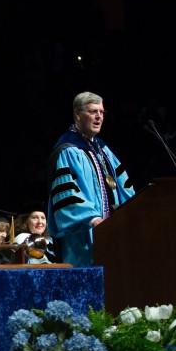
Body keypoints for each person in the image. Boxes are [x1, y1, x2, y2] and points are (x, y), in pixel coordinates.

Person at [47, 91, 135, 266]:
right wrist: (93, 219)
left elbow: (124, 186)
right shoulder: (68, 149)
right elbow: (66, 193)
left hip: (110, 232)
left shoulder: (103, 149)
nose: (99, 117)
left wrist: (133, 211)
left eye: (102, 112)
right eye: (93, 111)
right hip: (83, 235)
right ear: (77, 115)